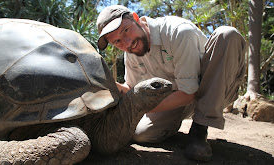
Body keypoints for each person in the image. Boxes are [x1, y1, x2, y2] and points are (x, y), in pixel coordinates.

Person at [96, 5, 246, 161]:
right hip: (180, 96)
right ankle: (177, 126)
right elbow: (132, 90)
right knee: (142, 134)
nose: (127, 43)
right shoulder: (131, 54)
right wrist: (110, 85)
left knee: (227, 34)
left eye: (125, 31)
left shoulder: (178, 32)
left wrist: (140, 105)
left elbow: (189, 94)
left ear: (135, 18)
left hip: (216, 89)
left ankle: (199, 129)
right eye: (117, 41)